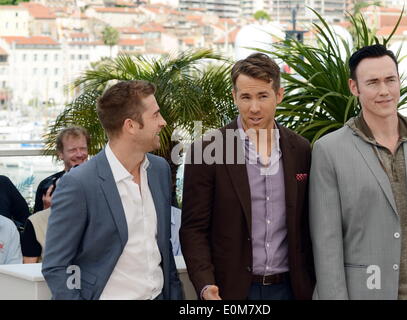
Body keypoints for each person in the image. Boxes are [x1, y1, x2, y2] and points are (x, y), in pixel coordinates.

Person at [309, 44, 407, 300]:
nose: (384, 91)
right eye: (372, 82)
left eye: (390, 80)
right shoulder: (328, 150)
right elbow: (326, 243)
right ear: (354, 87)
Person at [180, 53, 315, 300]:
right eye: (245, 97)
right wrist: (204, 284)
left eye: (263, 96)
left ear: (279, 95)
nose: (254, 108)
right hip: (230, 291)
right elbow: (193, 229)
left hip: (291, 289)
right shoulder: (208, 150)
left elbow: (308, 224)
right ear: (234, 96)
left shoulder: (301, 149)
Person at [42, 80, 183, 300]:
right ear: (131, 126)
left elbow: (164, 249)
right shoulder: (78, 184)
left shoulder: (159, 170)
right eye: (155, 115)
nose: (163, 122)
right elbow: (56, 266)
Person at [33, 126, 90, 213]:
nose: (79, 154)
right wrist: (47, 210)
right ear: (60, 154)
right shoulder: (47, 187)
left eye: (83, 149)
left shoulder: (102, 180)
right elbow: (36, 224)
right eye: (73, 150)